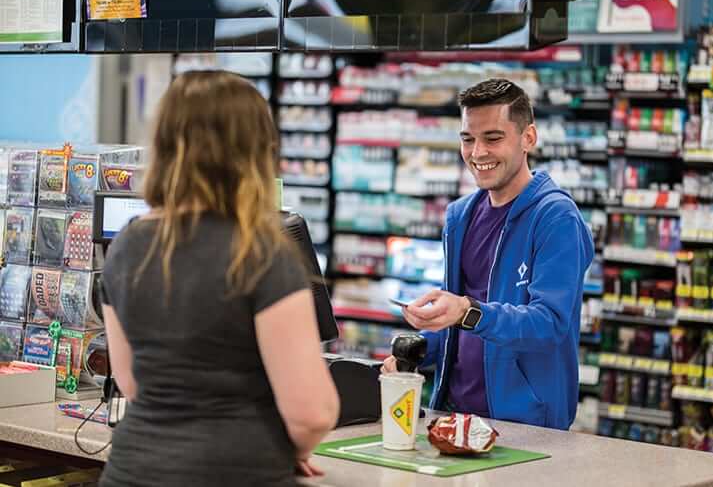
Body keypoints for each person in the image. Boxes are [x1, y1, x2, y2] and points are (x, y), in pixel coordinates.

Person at [100, 71, 340, 486]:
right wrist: (285, 449)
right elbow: (311, 413)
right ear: (255, 151)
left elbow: (132, 382)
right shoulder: (263, 252)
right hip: (237, 469)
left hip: (133, 470)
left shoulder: (127, 244)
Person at [382, 78, 594, 429]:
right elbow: (460, 328)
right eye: (468, 139)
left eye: (493, 138)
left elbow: (550, 323)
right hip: (452, 416)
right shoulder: (460, 217)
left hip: (527, 427)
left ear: (528, 138)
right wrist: (416, 350)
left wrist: (468, 311)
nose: (477, 153)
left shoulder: (556, 218)